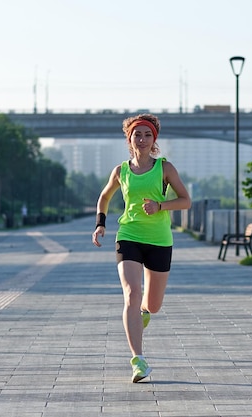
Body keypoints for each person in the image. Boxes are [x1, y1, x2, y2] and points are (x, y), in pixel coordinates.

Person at [92, 113, 191, 383]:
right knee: (132, 294)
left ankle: (144, 314)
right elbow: (104, 197)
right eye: (138, 134)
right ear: (130, 139)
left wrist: (160, 206)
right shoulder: (120, 171)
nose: (143, 139)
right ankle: (138, 360)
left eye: (148, 135)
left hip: (159, 239)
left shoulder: (165, 168)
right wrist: (101, 224)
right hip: (129, 235)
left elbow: (185, 201)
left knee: (153, 305)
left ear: (154, 139)